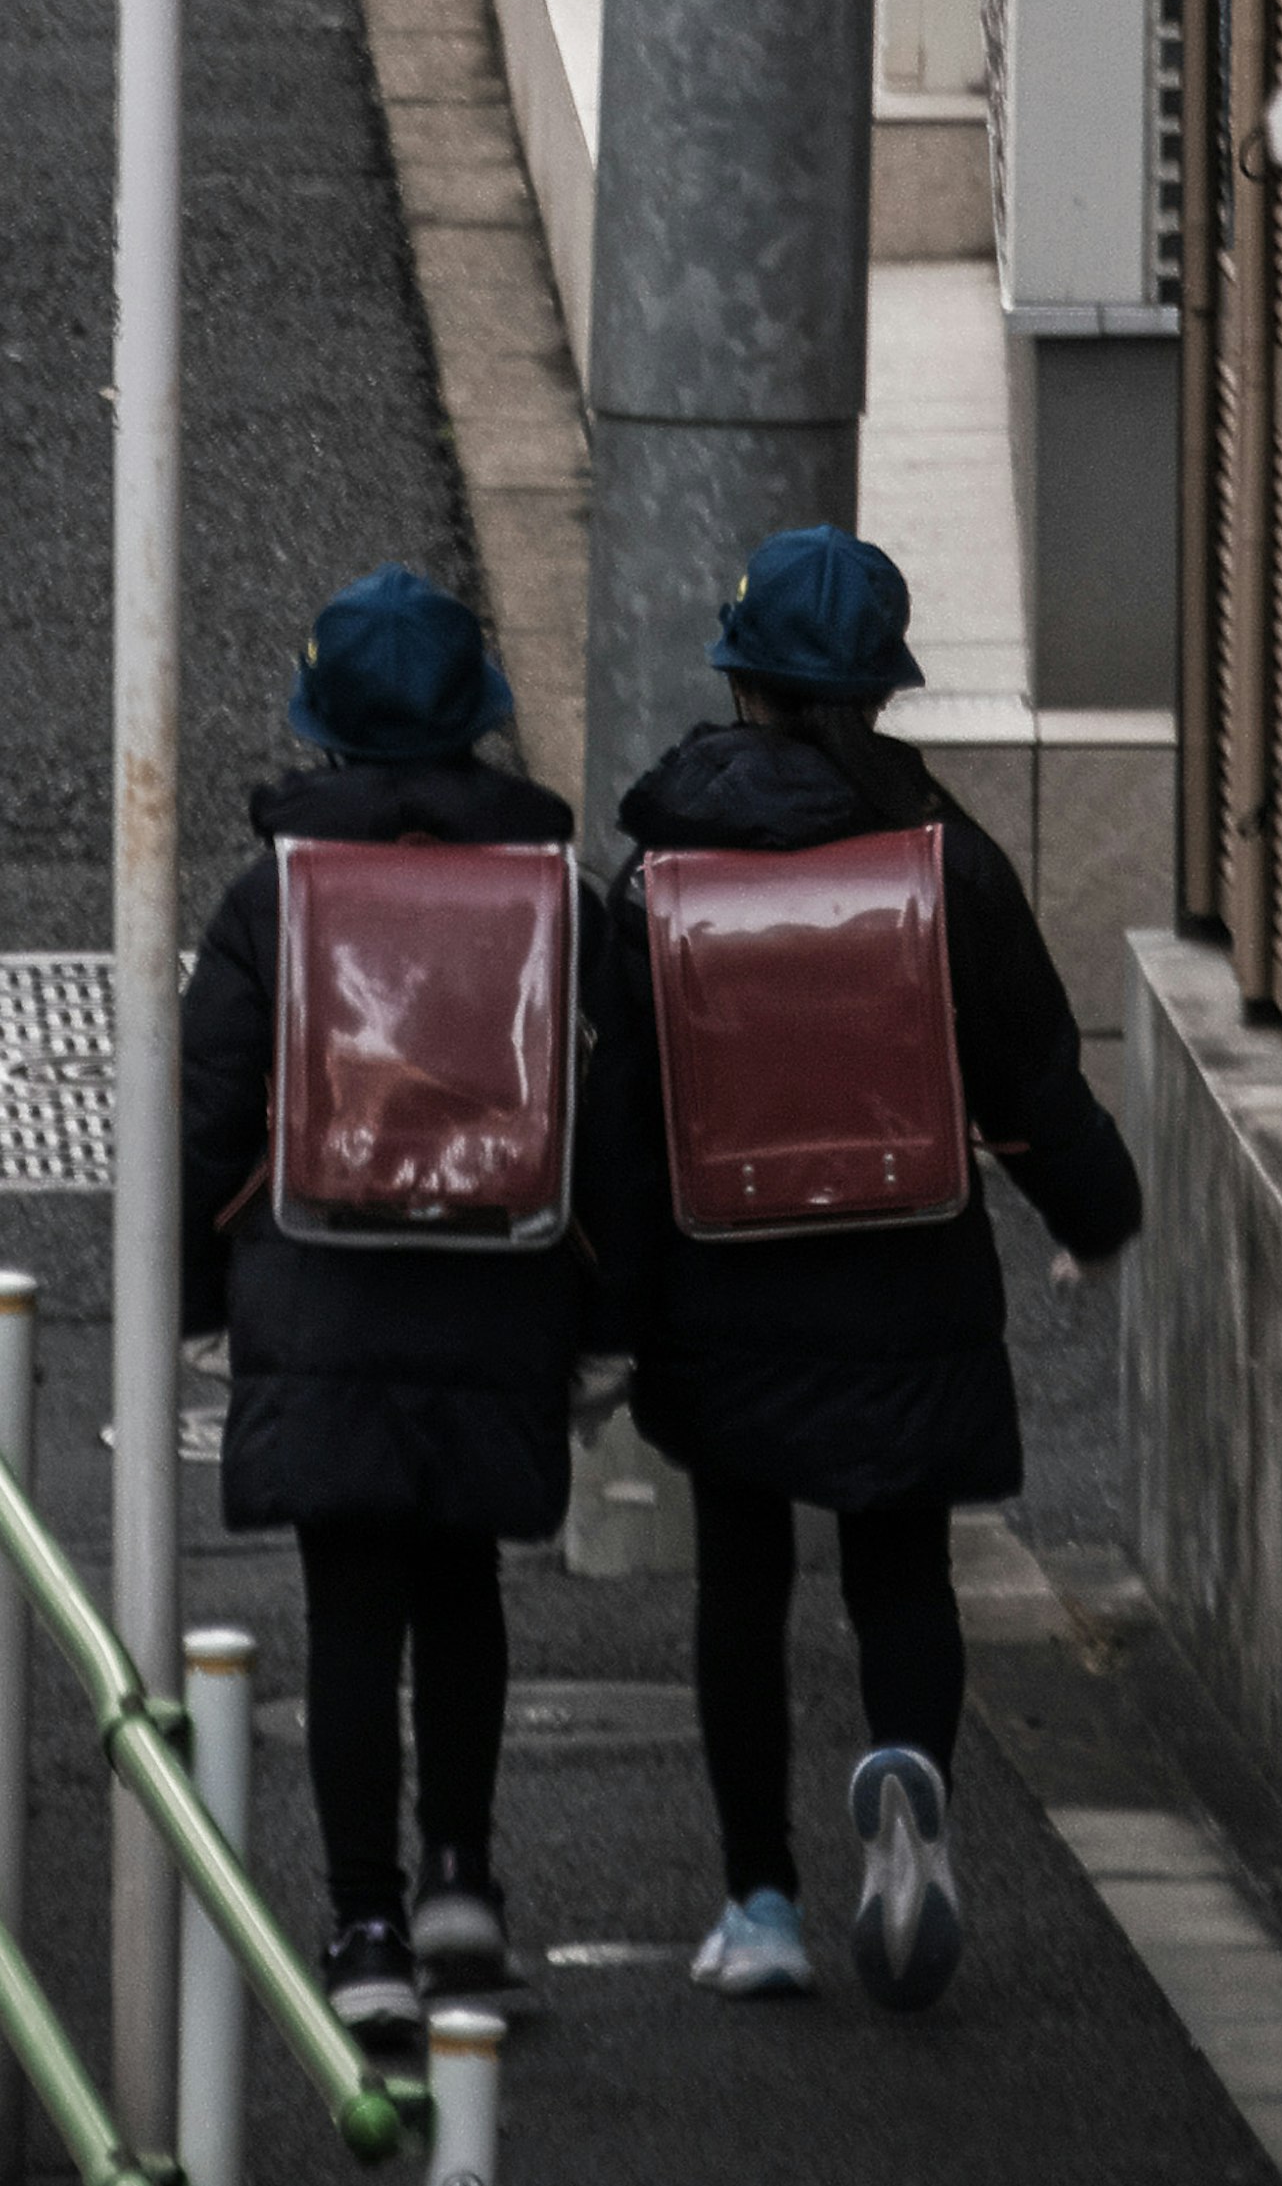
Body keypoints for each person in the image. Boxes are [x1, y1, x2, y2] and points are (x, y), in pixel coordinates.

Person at [581, 530, 1142, 2019]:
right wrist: (1097, 1217)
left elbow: (626, 1133)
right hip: (909, 1284)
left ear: (744, 681)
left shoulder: (660, 874)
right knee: (900, 1564)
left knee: (743, 1582)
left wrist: (604, 1328)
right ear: (880, 693)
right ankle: (907, 1779)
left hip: (722, 1289)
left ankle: (760, 1901)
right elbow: (1035, 1089)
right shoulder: (948, 864)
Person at [179, 569, 584, 2042]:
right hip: (498, 1285)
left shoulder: (271, 897)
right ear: (480, 720)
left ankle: (362, 1929)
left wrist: (193, 1300)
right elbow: (601, 1112)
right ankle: (463, 1876)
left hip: (325, 1291)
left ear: (323, 729)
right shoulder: (548, 891)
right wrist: (596, 1313)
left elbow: (210, 1114)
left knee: (351, 1605)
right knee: (462, 1580)